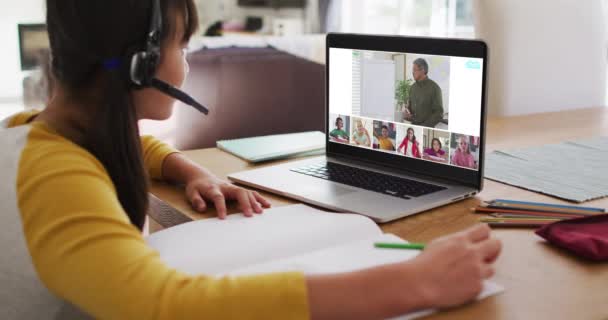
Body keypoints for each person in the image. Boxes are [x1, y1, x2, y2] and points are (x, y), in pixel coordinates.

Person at [0, 1, 501, 319]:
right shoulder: (56, 178)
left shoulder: (36, 133)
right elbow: (161, 307)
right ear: (142, 64)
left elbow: (124, 145)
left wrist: (185, 167)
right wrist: (413, 282)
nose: (188, 60)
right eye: (183, 44)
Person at [404, 58, 444, 128]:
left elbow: (439, 113)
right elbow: (410, 107)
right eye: (412, 70)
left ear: (422, 70)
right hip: (413, 126)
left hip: (426, 127)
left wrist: (423, 126)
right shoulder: (412, 87)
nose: (412, 72)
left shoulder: (435, 88)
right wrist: (408, 113)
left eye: (414, 70)